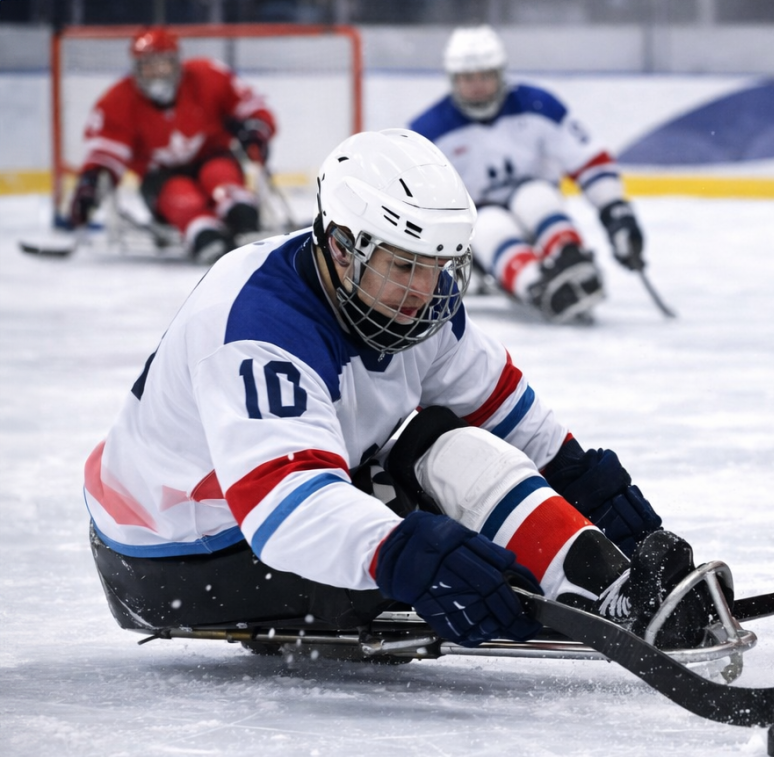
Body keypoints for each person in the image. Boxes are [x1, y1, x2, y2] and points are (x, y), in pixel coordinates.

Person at [84, 128, 715, 654]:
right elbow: (283, 511)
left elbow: (509, 416)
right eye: (407, 265)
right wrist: (411, 556)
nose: (427, 290)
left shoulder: (409, 301)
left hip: (250, 511)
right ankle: (598, 595)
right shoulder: (259, 328)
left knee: (438, 444)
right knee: (419, 521)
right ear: (341, 247)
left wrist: (608, 507)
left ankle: (609, 587)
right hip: (177, 553)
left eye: (441, 265)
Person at [408, 26, 648, 324]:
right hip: (478, 227)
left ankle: (571, 257)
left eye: (485, 75)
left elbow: (588, 159)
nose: (477, 85)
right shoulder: (429, 132)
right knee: (489, 225)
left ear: (501, 73)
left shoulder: (540, 106)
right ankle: (535, 285)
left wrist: (616, 211)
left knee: (536, 197)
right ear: (453, 79)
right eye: (468, 78)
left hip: (534, 199)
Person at [68, 26, 276, 265]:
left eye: (163, 64)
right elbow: (105, 153)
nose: (157, 73)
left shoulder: (207, 76)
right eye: (148, 66)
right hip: (161, 179)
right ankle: (205, 235)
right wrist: (91, 183)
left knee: (219, 174)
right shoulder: (117, 100)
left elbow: (251, 106)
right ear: (136, 68)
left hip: (213, 159)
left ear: (176, 63)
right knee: (181, 195)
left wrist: (255, 130)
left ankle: (244, 219)